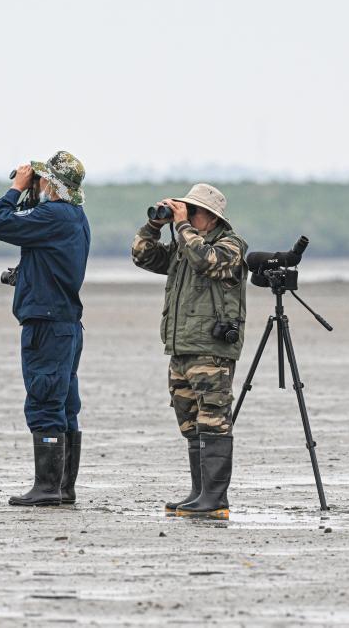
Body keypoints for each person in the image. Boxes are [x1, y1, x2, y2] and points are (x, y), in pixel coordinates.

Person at [131, 184, 248, 519]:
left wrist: (182, 227)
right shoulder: (184, 246)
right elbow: (143, 256)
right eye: (185, 210)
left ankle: (215, 499)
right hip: (181, 346)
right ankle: (199, 493)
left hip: (211, 349)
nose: (186, 216)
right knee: (190, 422)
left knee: (213, 420)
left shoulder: (230, 246)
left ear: (210, 217)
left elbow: (206, 262)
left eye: (192, 211)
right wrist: (154, 226)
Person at [0, 151, 90, 507]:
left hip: (47, 323)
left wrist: (15, 189)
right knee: (65, 404)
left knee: (45, 399)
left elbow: (1, 223)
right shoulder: (74, 215)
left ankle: (47, 488)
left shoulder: (54, 215)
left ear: (53, 184)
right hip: (66, 323)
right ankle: (62, 487)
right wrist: (33, 191)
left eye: (43, 179)